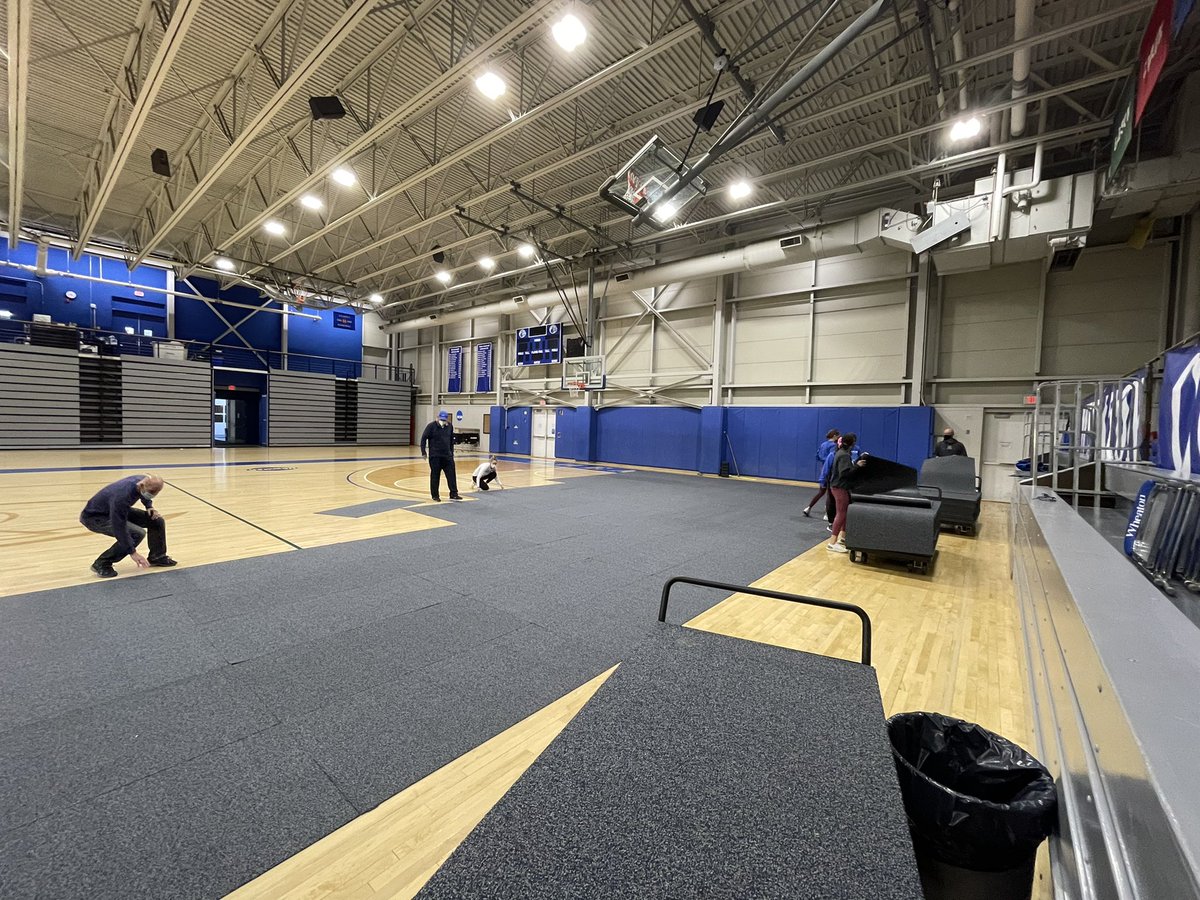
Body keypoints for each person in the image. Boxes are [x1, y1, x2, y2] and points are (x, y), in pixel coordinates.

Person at [80, 474, 177, 578]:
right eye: (152, 493)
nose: (153, 495)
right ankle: (102, 563)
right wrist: (132, 552)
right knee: (137, 533)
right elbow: (119, 527)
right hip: (95, 517)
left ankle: (157, 556)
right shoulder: (122, 496)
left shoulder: (142, 481)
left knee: (156, 520)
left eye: (156, 492)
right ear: (142, 486)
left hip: (112, 509)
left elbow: (145, 494)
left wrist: (149, 506)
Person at [827, 433, 867, 553]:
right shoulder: (844, 455)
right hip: (840, 487)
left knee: (845, 512)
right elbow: (844, 473)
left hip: (839, 486)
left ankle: (842, 538)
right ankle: (832, 542)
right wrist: (857, 466)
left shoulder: (841, 453)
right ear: (851, 444)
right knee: (841, 513)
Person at [420, 411, 463, 501]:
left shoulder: (450, 426)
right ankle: (435, 495)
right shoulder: (431, 426)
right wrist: (423, 452)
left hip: (447, 456)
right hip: (435, 456)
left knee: (451, 475)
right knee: (435, 476)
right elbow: (423, 438)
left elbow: (451, 441)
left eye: (444, 419)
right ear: (437, 417)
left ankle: (454, 493)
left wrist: (451, 453)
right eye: (441, 419)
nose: (443, 421)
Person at [802, 429, 840, 517]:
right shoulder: (833, 446)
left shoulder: (823, 444)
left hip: (823, 469)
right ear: (834, 436)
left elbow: (818, 456)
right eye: (838, 436)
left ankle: (808, 508)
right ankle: (827, 514)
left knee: (821, 491)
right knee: (829, 493)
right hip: (830, 470)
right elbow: (831, 459)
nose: (839, 438)